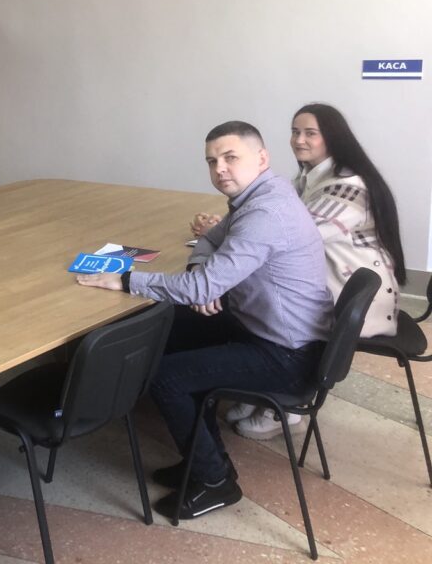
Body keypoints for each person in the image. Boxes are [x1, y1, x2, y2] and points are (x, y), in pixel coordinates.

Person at [77, 121, 332, 521]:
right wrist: (203, 274)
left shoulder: (266, 212)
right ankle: (202, 457)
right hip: (265, 328)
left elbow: (200, 288)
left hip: (288, 354)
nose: (220, 169)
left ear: (261, 158)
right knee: (168, 327)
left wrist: (126, 279)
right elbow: (210, 241)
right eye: (212, 161)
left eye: (231, 157)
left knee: (166, 376)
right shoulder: (262, 193)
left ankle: (215, 481)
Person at [226, 103, 407, 439]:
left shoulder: (347, 185)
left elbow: (294, 234)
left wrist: (233, 232)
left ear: (332, 137)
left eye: (310, 133)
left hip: (357, 292)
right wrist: (230, 225)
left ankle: (285, 408)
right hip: (338, 276)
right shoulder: (310, 176)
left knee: (271, 296)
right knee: (258, 287)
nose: (299, 140)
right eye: (295, 132)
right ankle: (260, 389)